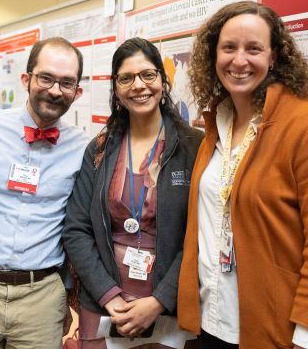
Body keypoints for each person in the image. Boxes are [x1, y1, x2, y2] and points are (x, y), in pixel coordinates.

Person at [177, 1, 308, 349]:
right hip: (211, 323)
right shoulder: (217, 124)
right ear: (214, 55)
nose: (239, 61)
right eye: (228, 48)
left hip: (279, 334)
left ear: (274, 57)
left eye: (253, 49)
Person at [0, 37, 89, 349]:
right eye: (46, 78)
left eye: (66, 83)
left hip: (41, 296)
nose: (55, 90)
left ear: (77, 92)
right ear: (27, 79)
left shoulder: (83, 148)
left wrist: (67, 293)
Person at [63, 37, 203, 348]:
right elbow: (76, 229)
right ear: (116, 87)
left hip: (170, 308)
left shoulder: (193, 146)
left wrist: (159, 300)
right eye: (126, 78)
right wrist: (109, 296)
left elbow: (200, 236)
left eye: (148, 75)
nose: (138, 86)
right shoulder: (99, 149)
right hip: (104, 307)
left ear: (163, 81)